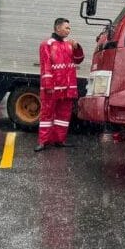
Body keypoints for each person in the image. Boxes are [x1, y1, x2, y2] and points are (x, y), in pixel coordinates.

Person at [35, 18, 84, 152]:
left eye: (69, 28)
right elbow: (46, 66)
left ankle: (59, 140)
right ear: (57, 28)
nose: (69, 30)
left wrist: (77, 48)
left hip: (68, 88)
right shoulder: (47, 44)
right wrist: (48, 85)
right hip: (53, 88)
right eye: (66, 27)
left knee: (64, 115)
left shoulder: (69, 44)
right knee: (47, 114)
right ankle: (43, 142)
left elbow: (79, 60)